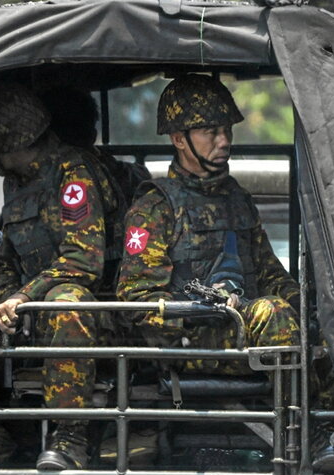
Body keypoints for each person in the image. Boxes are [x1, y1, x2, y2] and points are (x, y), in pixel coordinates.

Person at [0, 81, 122, 470]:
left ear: (1, 147)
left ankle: (70, 440)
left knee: (67, 304)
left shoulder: (73, 171)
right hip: (29, 314)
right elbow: (8, 259)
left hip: (92, 316)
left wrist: (21, 299)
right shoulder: (16, 184)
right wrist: (5, 304)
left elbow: (84, 261)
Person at [116, 74, 300, 368]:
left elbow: (270, 274)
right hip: (190, 346)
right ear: (179, 139)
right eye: (210, 132)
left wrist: (309, 308)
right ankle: (292, 413)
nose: (224, 141)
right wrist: (200, 311)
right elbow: (136, 301)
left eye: (227, 130)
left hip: (245, 330)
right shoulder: (155, 207)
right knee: (273, 312)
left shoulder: (237, 200)